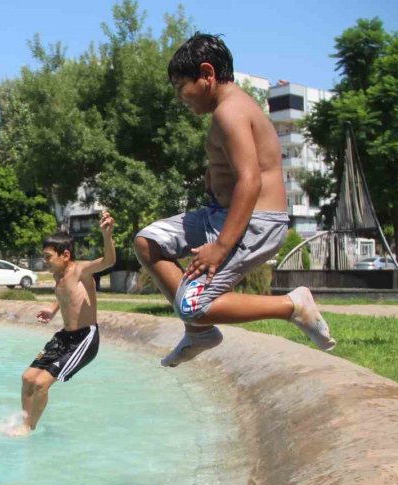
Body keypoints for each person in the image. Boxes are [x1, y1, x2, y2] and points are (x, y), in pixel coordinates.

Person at [133, 33, 335, 367]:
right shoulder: (230, 110)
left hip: (255, 224)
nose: (179, 97)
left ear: (207, 74)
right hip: (221, 215)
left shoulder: (231, 112)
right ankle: (199, 333)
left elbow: (250, 180)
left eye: (181, 86)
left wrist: (221, 247)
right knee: (148, 242)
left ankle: (292, 305)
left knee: (193, 305)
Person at [6, 211, 115, 436]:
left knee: (41, 383)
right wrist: (52, 309)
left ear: (65, 255)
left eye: (48, 257)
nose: (45, 261)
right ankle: (24, 421)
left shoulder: (81, 270)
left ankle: (28, 427)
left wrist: (107, 235)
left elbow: (109, 261)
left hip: (84, 339)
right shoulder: (58, 276)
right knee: (27, 378)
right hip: (64, 336)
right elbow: (66, 295)